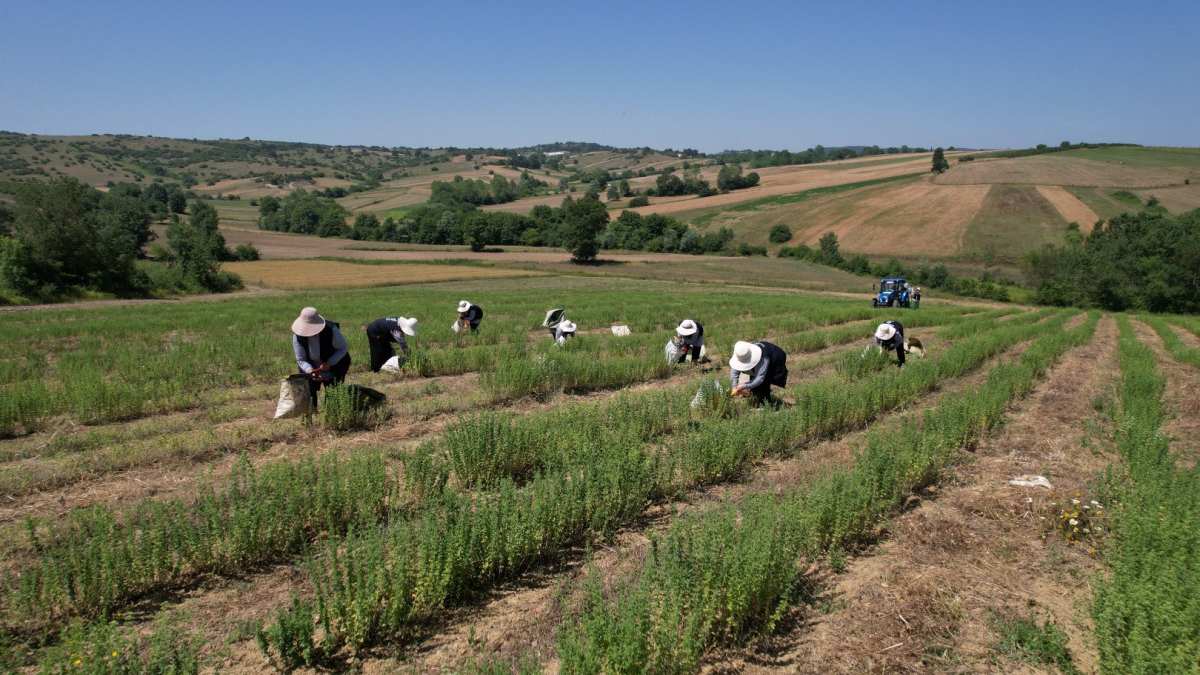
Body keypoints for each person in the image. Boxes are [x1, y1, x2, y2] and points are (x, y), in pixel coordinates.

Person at [291, 306, 351, 405]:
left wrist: (330, 363)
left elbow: (343, 348)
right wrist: (310, 370)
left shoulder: (331, 329)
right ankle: (310, 414)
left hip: (335, 365)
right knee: (309, 394)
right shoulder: (297, 335)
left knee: (333, 394)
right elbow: (301, 359)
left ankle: (331, 414)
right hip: (311, 367)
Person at [729, 339, 788, 406]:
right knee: (754, 386)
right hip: (763, 358)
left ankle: (766, 404)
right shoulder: (740, 354)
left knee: (764, 383)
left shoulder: (764, 359)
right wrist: (734, 386)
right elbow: (734, 373)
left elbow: (760, 378)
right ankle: (756, 395)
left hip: (776, 357)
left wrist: (745, 386)